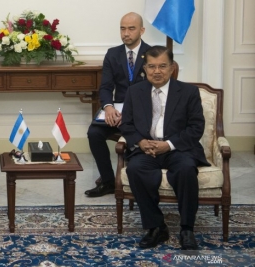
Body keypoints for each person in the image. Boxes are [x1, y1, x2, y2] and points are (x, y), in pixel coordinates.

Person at [120, 46, 210, 250]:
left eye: (162, 66)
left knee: (186, 170)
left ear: (172, 68)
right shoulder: (135, 91)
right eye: (151, 67)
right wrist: (141, 142)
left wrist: (167, 145)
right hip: (147, 148)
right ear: (145, 68)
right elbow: (126, 124)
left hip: (178, 148)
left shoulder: (188, 92)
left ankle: (187, 228)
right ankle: (156, 227)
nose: (157, 71)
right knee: (135, 169)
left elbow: (196, 128)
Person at [85, 12, 150, 197]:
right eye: (123, 28)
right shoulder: (113, 54)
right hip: (117, 110)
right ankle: (108, 181)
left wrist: (132, 112)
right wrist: (108, 107)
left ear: (142, 30)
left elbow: (156, 91)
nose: (126, 33)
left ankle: (134, 179)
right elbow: (105, 87)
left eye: (131, 28)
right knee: (94, 133)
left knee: (135, 134)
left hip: (142, 113)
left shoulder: (153, 54)